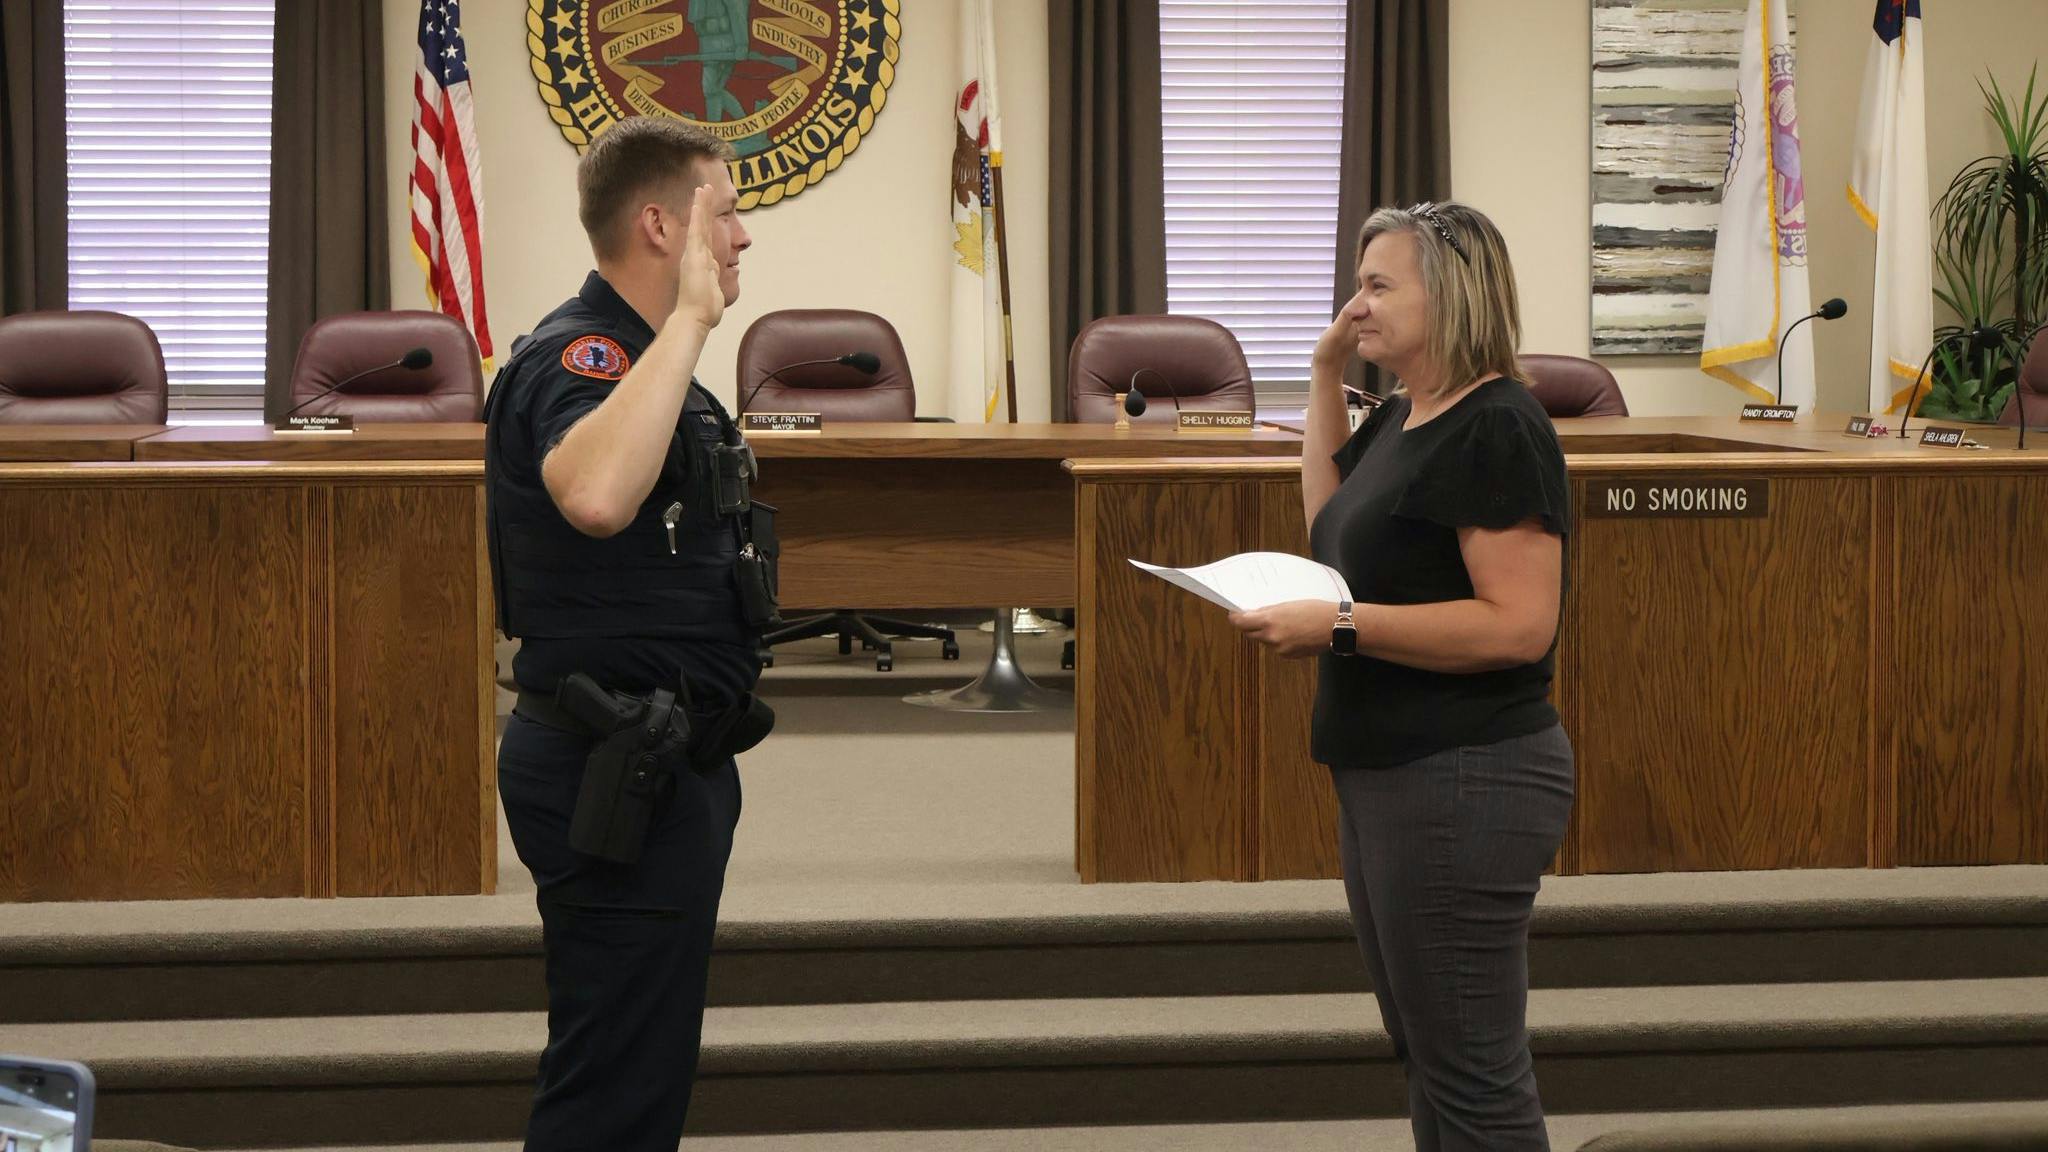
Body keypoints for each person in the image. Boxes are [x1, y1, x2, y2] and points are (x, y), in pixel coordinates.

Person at [1231, 200, 1574, 1151]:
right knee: (1428, 1056)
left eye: (1379, 287)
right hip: (1394, 768)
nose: (1357, 307)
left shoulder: (1497, 427)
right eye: (1358, 286)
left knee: (1471, 1074)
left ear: (1450, 296)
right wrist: (1322, 374)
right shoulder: (1406, 414)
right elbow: (1329, 529)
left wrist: (1340, 626)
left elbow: (1519, 625)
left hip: (1466, 774)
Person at [482, 116, 774, 1151]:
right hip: (609, 761)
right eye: (725, 212)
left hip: (663, 759)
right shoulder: (583, 353)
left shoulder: (650, 366)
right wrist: (691, 319)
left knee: (640, 1075)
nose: (742, 235)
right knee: (613, 1084)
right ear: (660, 225)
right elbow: (598, 495)